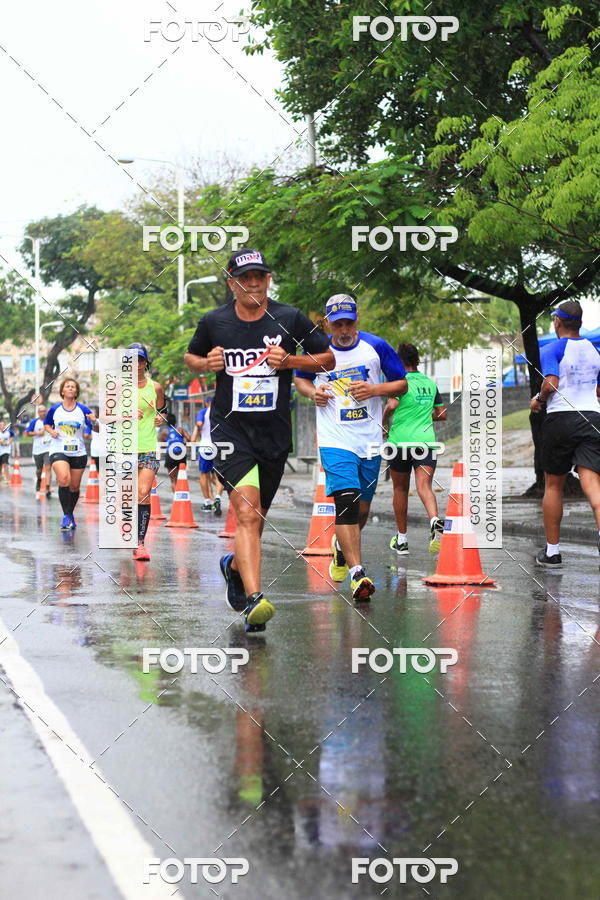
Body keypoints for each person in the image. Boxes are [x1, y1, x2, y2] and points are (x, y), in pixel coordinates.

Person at [184, 248, 334, 632]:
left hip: (273, 432)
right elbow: (192, 357)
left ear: (268, 280)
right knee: (247, 512)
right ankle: (254, 600)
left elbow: (327, 359)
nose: (253, 284)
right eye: (244, 278)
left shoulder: (289, 317)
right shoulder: (214, 321)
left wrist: (290, 362)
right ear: (232, 283)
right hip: (230, 429)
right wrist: (207, 364)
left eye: (259, 277)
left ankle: (234, 567)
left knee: (256, 520)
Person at [294, 294, 407, 601]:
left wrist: (375, 389)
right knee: (346, 502)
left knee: (363, 509)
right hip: (335, 439)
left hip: (368, 439)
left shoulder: (376, 347)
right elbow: (300, 380)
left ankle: (341, 549)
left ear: (357, 320)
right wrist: (312, 392)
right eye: (337, 323)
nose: (343, 329)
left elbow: (401, 384)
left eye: (349, 322)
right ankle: (358, 574)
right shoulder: (318, 349)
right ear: (328, 323)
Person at [530, 300, 600, 567]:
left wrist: (538, 399)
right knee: (592, 483)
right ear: (580, 323)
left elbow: (551, 383)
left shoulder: (553, 348)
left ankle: (552, 552)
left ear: (557, 322)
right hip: (592, 418)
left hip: (560, 419)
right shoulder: (595, 351)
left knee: (554, 484)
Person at [382, 343, 447, 555]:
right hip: (426, 443)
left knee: (400, 489)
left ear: (399, 361)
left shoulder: (399, 383)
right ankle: (435, 520)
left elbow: (391, 406)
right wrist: (421, 416)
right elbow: (442, 414)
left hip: (400, 443)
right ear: (417, 360)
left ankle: (402, 540)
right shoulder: (430, 383)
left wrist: (384, 423)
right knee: (424, 486)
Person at [128, 343, 166, 562]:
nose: (137, 364)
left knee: (143, 493)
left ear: (145, 362)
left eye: (140, 360)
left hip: (148, 447)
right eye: (132, 360)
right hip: (122, 449)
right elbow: (104, 418)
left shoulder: (156, 387)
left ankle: (140, 543)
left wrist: (161, 419)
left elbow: (162, 412)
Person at [44, 378, 96, 530]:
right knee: (64, 479)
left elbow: (95, 428)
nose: (71, 388)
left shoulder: (84, 409)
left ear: (76, 392)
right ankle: (66, 516)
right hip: (58, 448)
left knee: (74, 486)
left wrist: (94, 422)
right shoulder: (54, 409)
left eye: (73, 387)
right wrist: (51, 431)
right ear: (62, 391)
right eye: (68, 386)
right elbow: (47, 424)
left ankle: (69, 513)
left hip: (78, 452)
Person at [191, 398, 223, 514]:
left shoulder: (203, 412)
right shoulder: (222, 412)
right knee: (218, 475)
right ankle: (218, 497)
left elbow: (199, 424)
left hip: (205, 447)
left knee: (204, 475)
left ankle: (207, 503)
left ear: (206, 403)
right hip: (219, 447)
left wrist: (197, 431)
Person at [160, 412, 191, 492]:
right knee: (180, 477)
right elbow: (189, 439)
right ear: (175, 421)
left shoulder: (165, 432)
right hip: (181, 454)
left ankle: (176, 498)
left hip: (170, 454)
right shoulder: (180, 429)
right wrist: (184, 446)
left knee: (173, 479)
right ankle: (180, 495)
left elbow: (162, 445)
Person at [26, 404, 52, 497]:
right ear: (38, 413)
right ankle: (39, 480)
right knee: (39, 469)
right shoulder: (34, 422)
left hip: (48, 448)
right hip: (37, 449)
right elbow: (27, 433)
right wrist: (37, 433)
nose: (43, 413)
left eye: (44, 411)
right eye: (41, 411)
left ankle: (48, 487)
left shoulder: (50, 421)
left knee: (48, 467)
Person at [0, 419, 14, 484]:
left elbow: (12, 437)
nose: (2, 427)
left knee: (5, 464)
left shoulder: (9, 432)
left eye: (3, 425)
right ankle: (0, 477)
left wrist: (9, 442)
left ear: (5, 426)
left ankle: (7, 478)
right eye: (0, 425)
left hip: (6, 450)